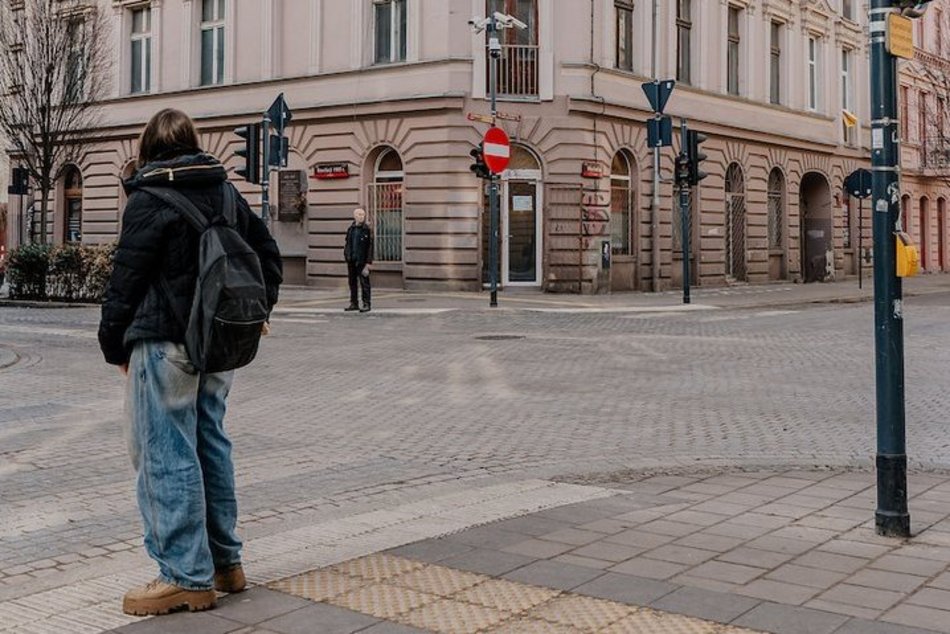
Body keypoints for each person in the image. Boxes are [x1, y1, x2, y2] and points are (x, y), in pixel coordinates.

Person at [98, 108, 282, 616]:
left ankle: (183, 575)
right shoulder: (225, 192)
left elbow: (125, 282)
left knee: (164, 453)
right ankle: (225, 563)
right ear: (193, 143)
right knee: (210, 445)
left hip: (165, 344)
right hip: (217, 343)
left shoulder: (147, 198)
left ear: (148, 149)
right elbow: (268, 256)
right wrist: (256, 312)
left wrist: (113, 346)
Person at [344, 208, 373, 313]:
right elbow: (348, 243)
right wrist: (347, 255)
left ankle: (366, 303)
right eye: (359, 214)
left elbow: (370, 247)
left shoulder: (366, 230)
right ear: (354, 216)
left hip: (362, 261)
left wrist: (368, 262)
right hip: (352, 259)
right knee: (352, 282)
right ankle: (354, 303)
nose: (362, 217)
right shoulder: (351, 229)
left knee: (364, 283)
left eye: (363, 215)